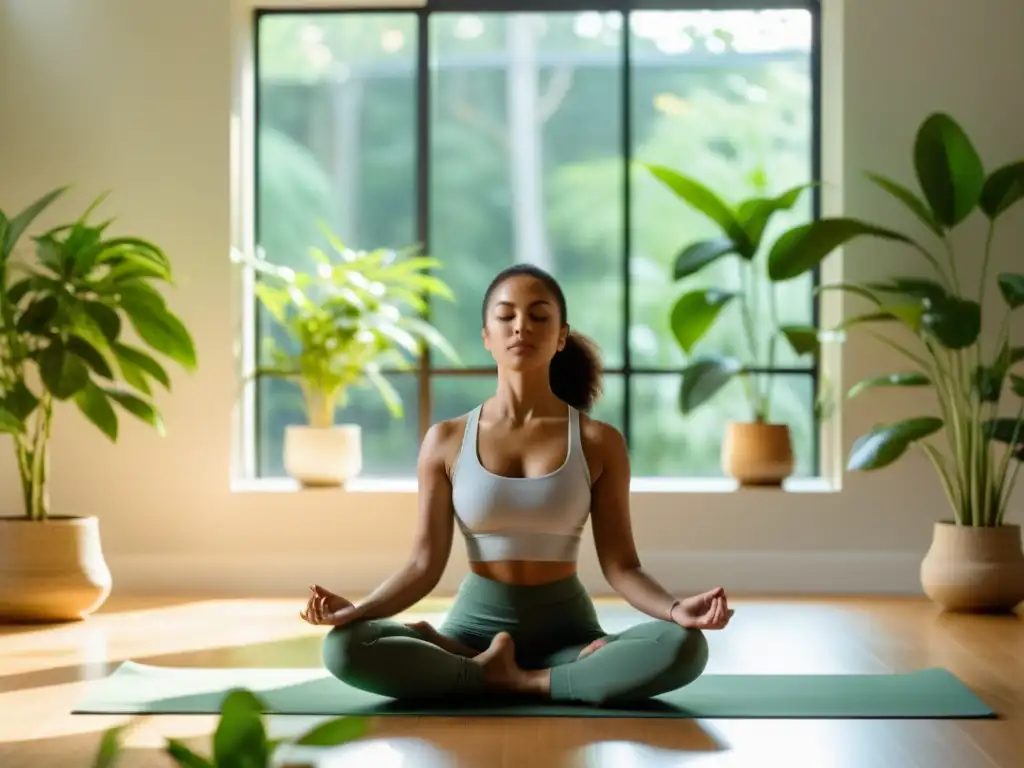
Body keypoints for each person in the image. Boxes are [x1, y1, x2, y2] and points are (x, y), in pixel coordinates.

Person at [300, 263, 732, 706]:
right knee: (345, 647)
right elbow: (422, 565)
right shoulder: (446, 441)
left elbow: (622, 566)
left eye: (538, 316)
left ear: (561, 336)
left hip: (569, 638)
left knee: (684, 646)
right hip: (470, 634)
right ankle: (511, 672)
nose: (520, 326)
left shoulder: (599, 442)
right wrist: (358, 612)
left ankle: (504, 679)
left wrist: (676, 611)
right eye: (505, 316)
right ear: (486, 336)